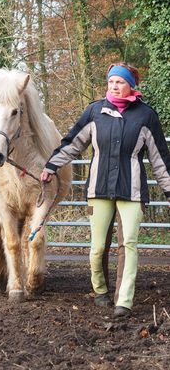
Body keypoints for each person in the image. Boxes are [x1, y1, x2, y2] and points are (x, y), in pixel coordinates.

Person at [40, 63, 170, 317]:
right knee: (98, 247)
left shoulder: (146, 116)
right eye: (111, 82)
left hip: (131, 190)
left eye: (119, 82)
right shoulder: (95, 111)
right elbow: (73, 142)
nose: (114, 86)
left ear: (131, 85)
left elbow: (160, 159)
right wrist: (51, 166)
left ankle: (124, 300)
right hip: (98, 189)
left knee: (128, 245)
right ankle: (100, 290)